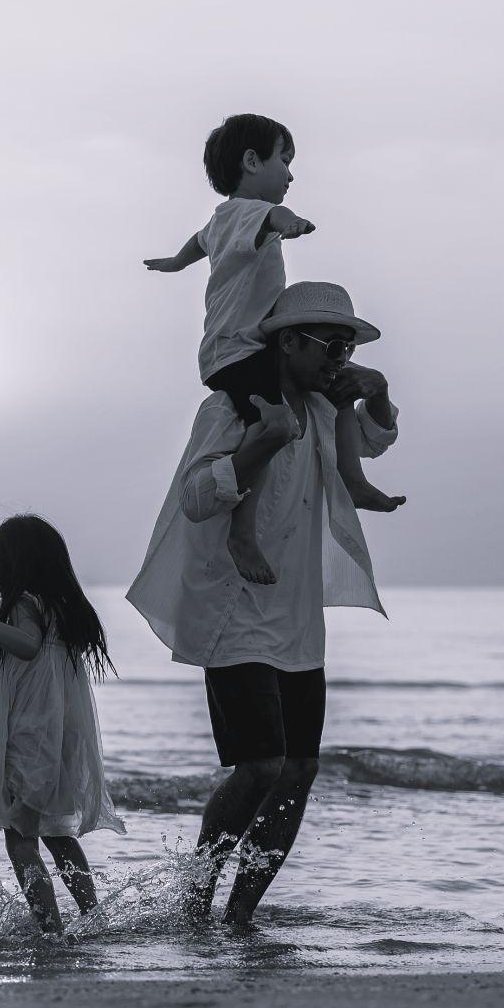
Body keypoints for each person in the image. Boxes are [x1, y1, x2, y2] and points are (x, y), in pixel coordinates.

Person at [126, 281, 400, 929]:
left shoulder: (325, 409)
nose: (341, 357)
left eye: (349, 346)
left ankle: (241, 913)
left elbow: (374, 439)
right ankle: (196, 898)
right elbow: (197, 496)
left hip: (298, 617)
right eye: (332, 345)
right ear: (289, 341)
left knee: (300, 768)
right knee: (260, 763)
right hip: (233, 607)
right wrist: (257, 443)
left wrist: (379, 386)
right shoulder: (233, 406)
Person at [144, 114, 404, 585]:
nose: (290, 174)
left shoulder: (221, 223)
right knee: (269, 426)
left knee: (339, 392)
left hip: (238, 349)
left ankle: (353, 479)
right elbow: (274, 217)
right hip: (238, 352)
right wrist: (293, 223)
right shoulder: (246, 214)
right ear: (250, 161)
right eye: (284, 160)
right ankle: (242, 530)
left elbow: (196, 244)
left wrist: (174, 263)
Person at [0, 515, 124, 933]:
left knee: (20, 836)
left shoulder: (23, 605)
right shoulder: (62, 609)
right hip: (60, 739)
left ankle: (49, 929)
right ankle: (92, 916)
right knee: (57, 835)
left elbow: (28, 648)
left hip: (31, 739)